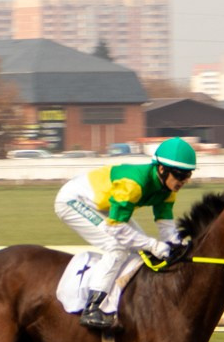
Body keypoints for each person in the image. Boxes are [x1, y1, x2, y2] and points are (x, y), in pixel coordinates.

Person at [53, 137, 197, 330]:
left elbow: (166, 226)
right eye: (180, 175)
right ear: (161, 169)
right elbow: (116, 228)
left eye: (188, 175)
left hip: (105, 205)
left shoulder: (167, 189)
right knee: (118, 247)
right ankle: (92, 308)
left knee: (141, 251)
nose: (183, 181)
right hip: (73, 200)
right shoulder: (133, 184)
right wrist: (154, 245)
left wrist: (178, 248)